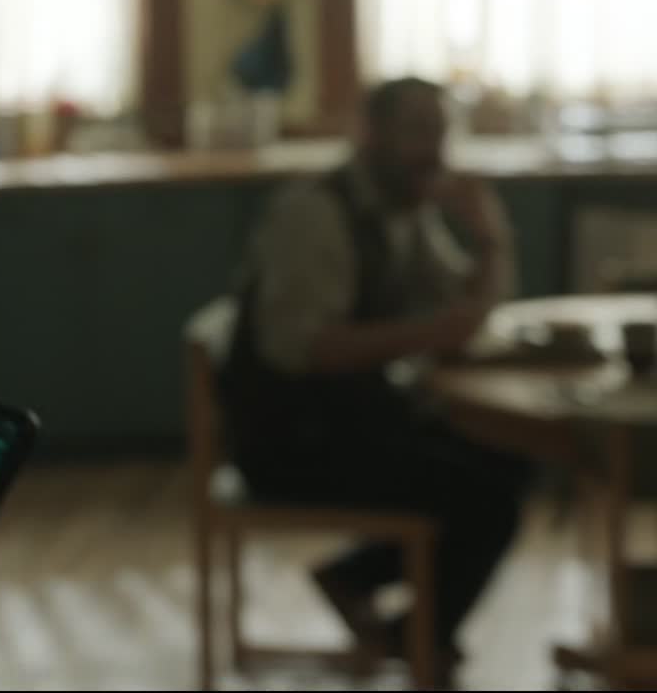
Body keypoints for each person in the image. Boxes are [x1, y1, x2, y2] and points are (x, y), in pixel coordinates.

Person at [218, 77, 532, 680]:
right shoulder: (315, 213)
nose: (433, 150)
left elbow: (465, 306)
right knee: (486, 501)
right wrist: (427, 334)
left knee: (512, 457)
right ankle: (417, 640)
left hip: (352, 419)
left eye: (440, 133)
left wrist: (490, 236)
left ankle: (369, 594)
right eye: (417, 132)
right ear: (369, 134)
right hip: (290, 441)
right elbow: (300, 349)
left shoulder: (403, 208)